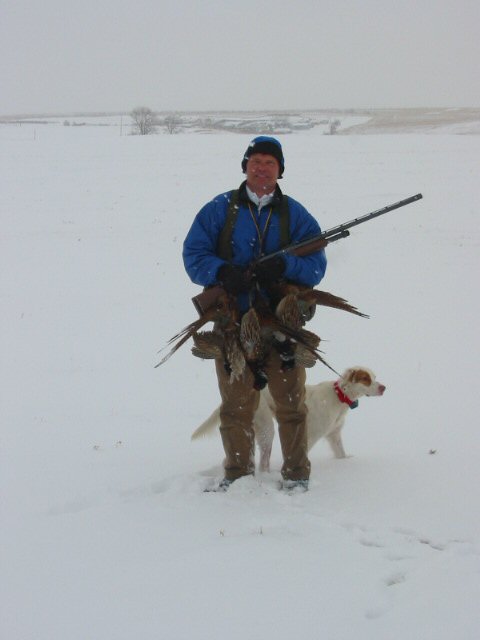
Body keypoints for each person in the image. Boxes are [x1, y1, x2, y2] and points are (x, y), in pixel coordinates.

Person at [183, 136, 327, 491]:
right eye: (256, 161)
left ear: (280, 170)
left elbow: (316, 266)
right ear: (245, 166)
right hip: (233, 325)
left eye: (270, 163)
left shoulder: (295, 214)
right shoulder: (219, 209)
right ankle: (237, 475)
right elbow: (194, 255)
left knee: (291, 407)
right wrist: (222, 272)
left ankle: (296, 476)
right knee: (235, 408)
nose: (262, 168)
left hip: (282, 328)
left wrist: (284, 265)